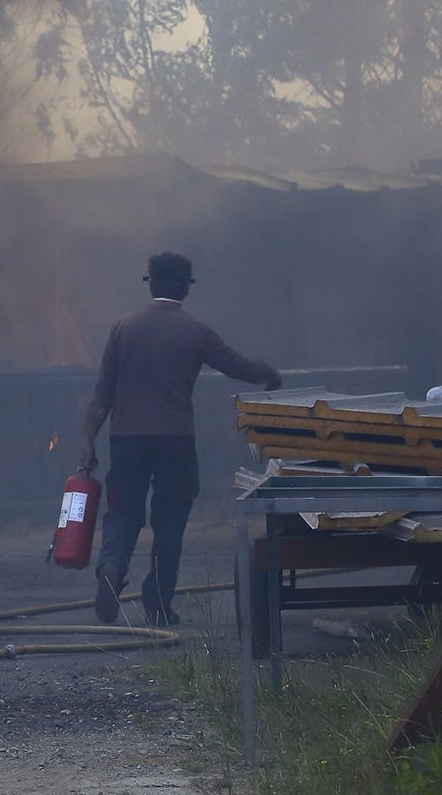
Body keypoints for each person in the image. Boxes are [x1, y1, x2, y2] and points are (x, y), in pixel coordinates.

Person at [78, 252, 281, 626]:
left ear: (151, 283)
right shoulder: (196, 331)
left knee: (123, 512)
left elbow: (103, 392)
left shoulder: (123, 327)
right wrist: (268, 374)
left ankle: (111, 565)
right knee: (170, 522)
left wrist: (87, 440)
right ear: (185, 288)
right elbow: (235, 364)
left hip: (126, 439)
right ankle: (158, 602)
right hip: (175, 440)